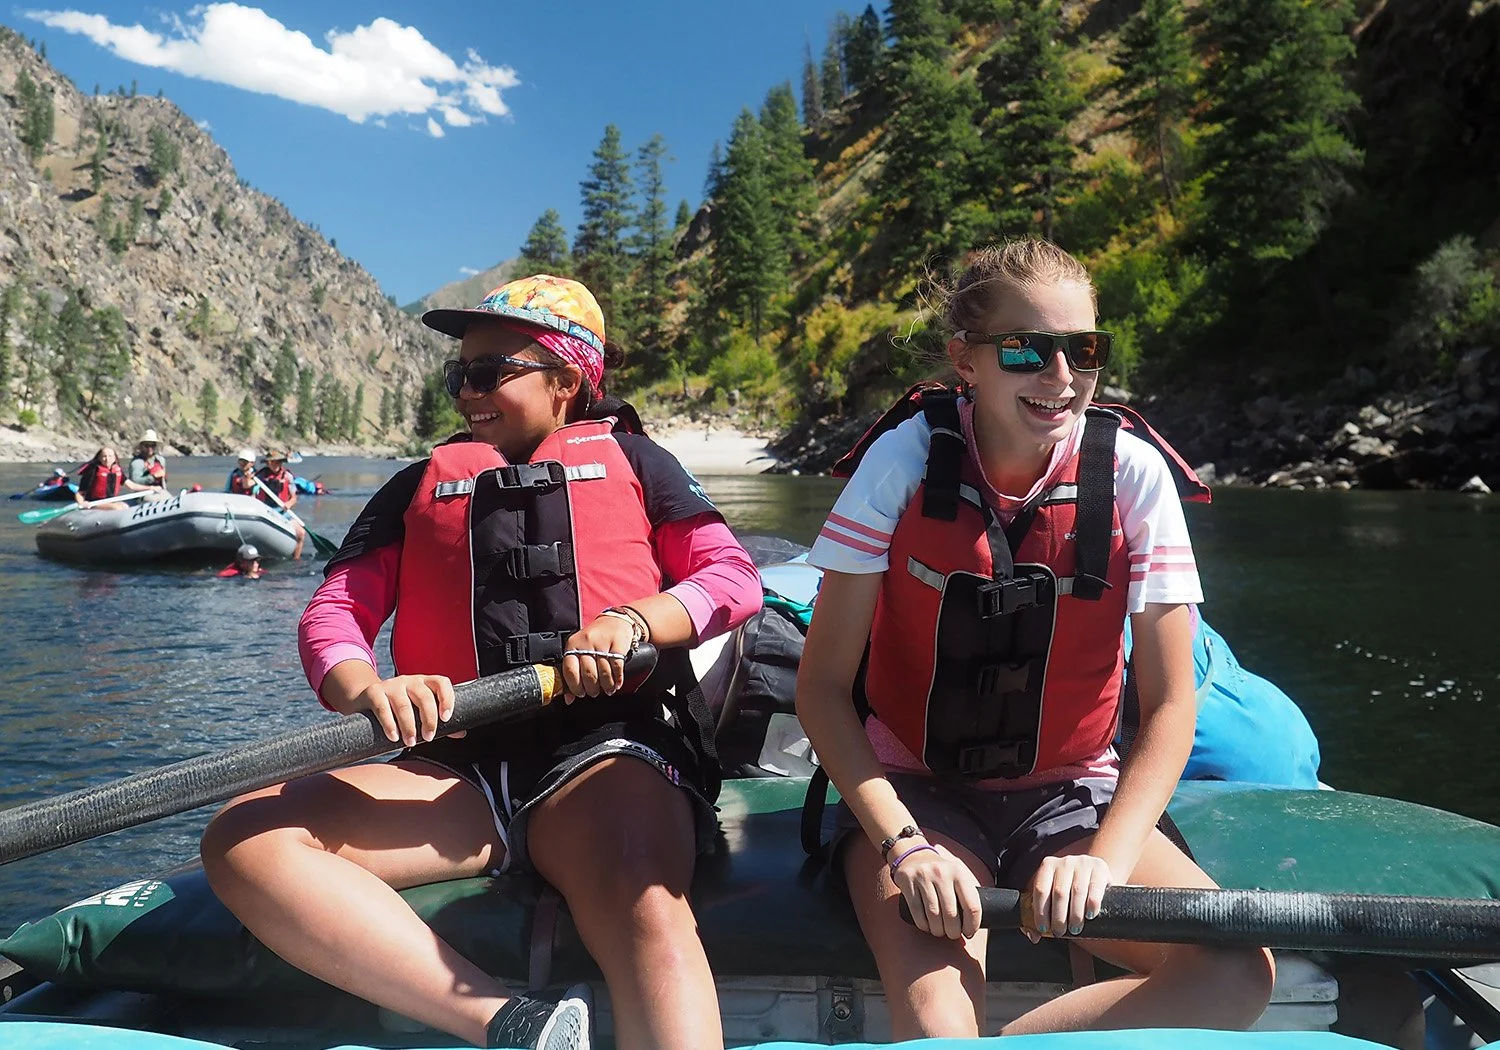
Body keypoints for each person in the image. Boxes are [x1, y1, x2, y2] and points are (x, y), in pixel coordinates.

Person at [199, 274, 763, 1050]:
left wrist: (633, 619)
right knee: (245, 837)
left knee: (645, 904)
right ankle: (513, 1025)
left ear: (567, 380)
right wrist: (367, 689)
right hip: (457, 769)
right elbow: (334, 612)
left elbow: (731, 579)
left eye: (491, 371)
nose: (467, 392)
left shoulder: (640, 463)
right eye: (458, 374)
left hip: (608, 750)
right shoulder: (415, 487)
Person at [793, 240, 1275, 1040]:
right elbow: (821, 690)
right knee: (939, 1023)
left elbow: (1169, 706)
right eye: (1026, 349)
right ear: (966, 360)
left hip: (1075, 795)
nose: (1060, 377)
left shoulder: (1133, 475)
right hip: (918, 794)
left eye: (1083, 350)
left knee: (1235, 970)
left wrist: (1105, 861)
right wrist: (905, 847)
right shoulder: (901, 462)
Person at [254, 450, 305, 559]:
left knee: (301, 533)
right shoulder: (259, 476)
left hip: (282, 512)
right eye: (272, 462)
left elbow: (294, 498)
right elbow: (252, 492)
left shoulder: (287, 476)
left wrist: (289, 503)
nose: (275, 464)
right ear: (268, 463)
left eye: (278, 461)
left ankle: (296, 560)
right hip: (265, 511)